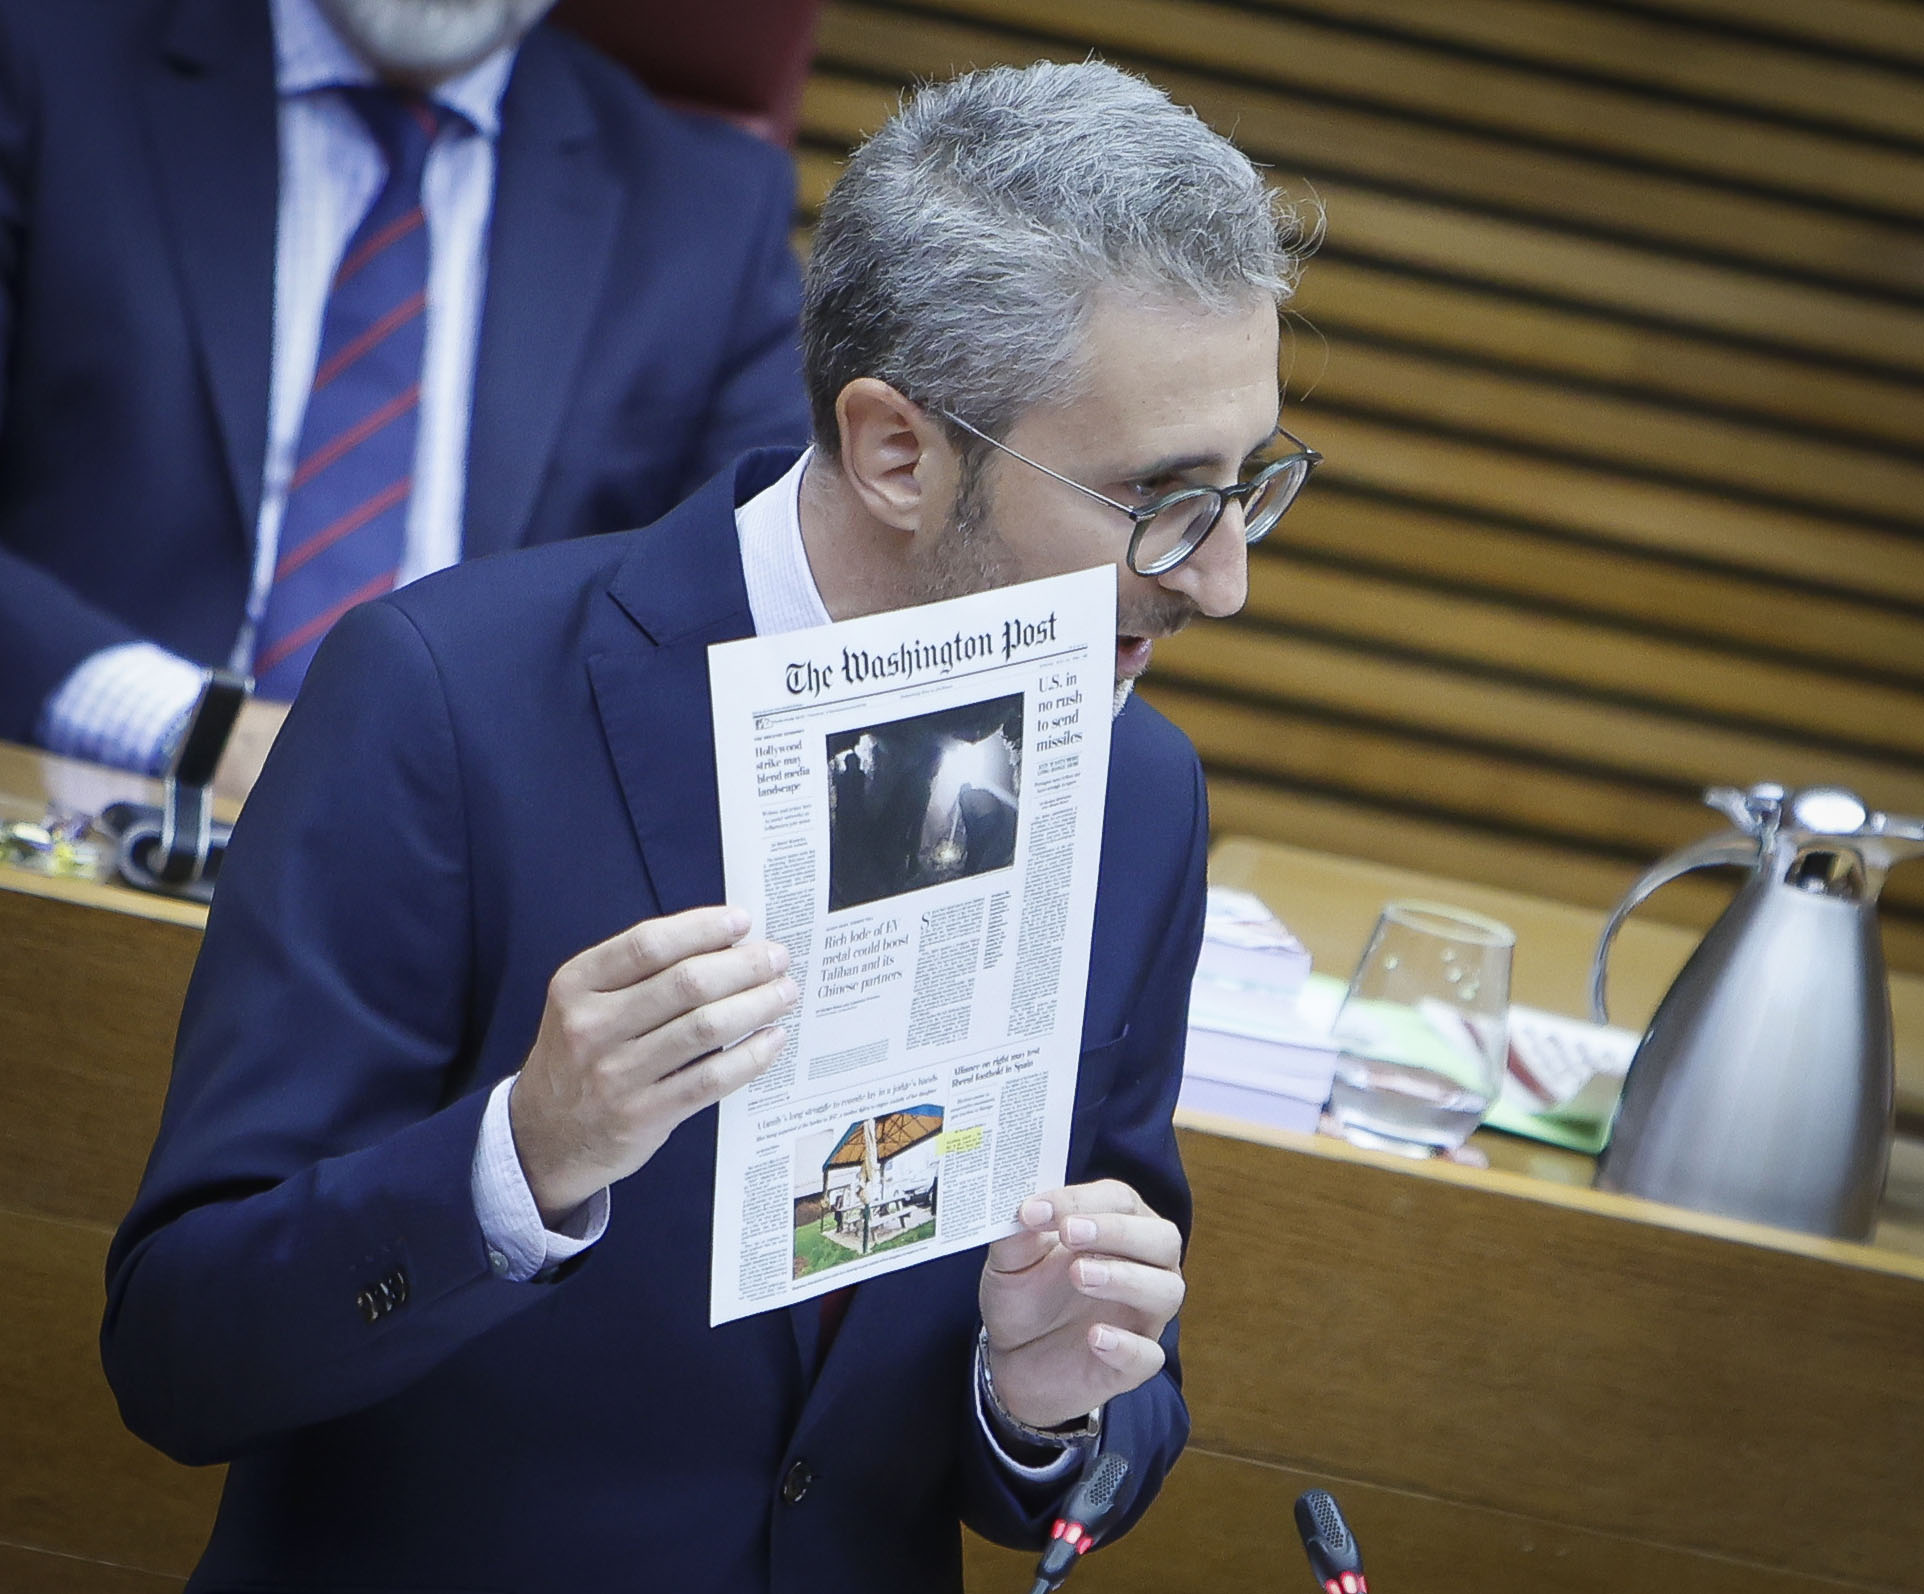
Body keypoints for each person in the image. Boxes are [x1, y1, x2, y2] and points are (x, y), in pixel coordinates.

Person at [102, 59, 1318, 1594]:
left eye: (1251, 484)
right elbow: (176, 1353)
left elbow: (1109, 1395)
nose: (1224, 582)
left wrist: (1036, 1400)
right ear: (895, 450)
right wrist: (519, 1162)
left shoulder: (1141, 792)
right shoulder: (444, 698)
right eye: (1161, 497)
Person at [0, 0, 808, 796]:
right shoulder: (41, 62)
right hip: (65, 801)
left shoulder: (709, 213)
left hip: (461, 875)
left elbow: (753, 627)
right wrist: (190, 727)